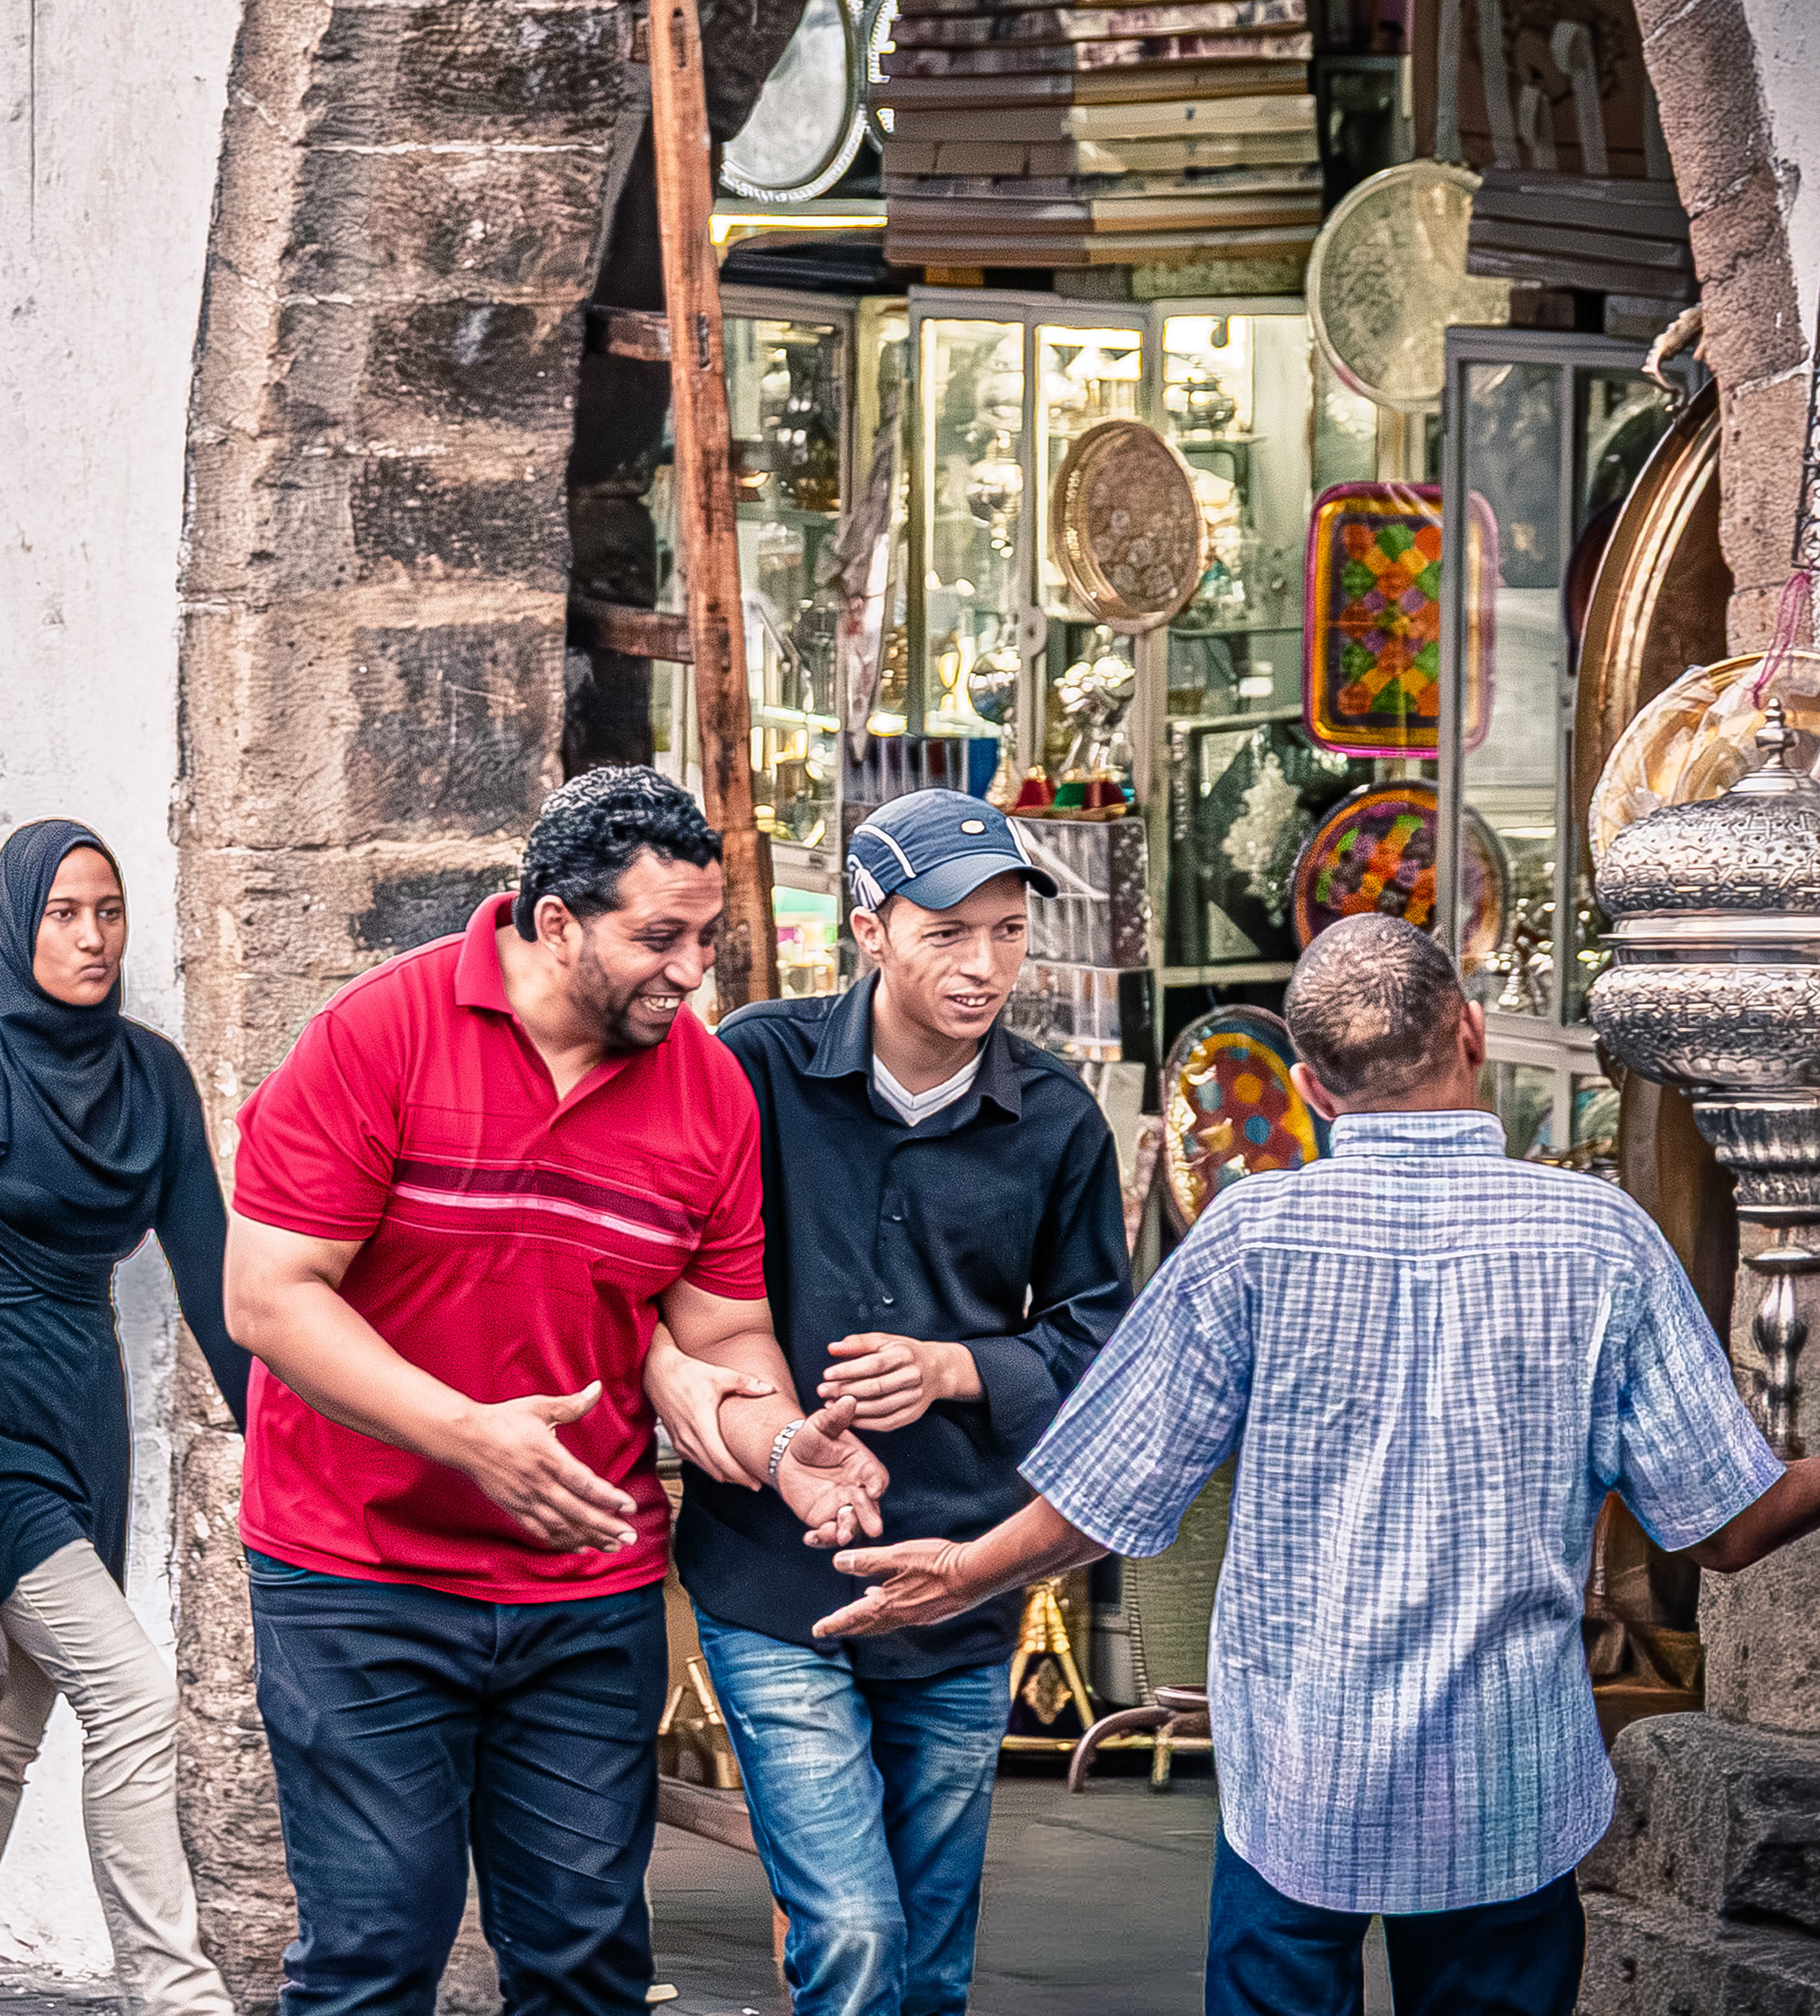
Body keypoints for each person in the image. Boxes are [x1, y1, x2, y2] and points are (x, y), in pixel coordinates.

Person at [820, 913, 1820, 2016]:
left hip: (1300, 1782)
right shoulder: (1599, 1238)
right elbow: (1729, 1529)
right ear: (1473, 1033)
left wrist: (961, 1574)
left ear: (1310, 1085)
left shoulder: (1254, 1237)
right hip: (1507, 1785)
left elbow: (1103, 1496)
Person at [223, 768, 888, 2016]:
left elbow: (725, 1325)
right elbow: (270, 1296)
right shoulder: (380, 1031)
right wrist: (469, 1436)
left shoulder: (709, 1091)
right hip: (357, 1578)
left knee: (587, 1967)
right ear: (554, 922)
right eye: (660, 938)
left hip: (587, 1592)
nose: (692, 972)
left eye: (706, 940)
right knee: (373, 1960)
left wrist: (784, 1436)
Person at [662, 788, 1129, 2016]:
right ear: (867, 929)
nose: (986, 967)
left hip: (961, 1578)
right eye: (946, 933)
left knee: (928, 1963)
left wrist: (955, 1367)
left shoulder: (1059, 1122)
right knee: (856, 1932)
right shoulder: (752, 1068)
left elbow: (1101, 1341)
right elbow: (662, 1273)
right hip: (772, 1572)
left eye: (1009, 932)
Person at [0, 820, 252, 2016]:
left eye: (109, 910)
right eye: (63, 913)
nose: (92, 936)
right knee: (135, 1696)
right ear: (15, 923)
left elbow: (213, 1279)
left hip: (85, 1423)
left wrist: (294, 1439)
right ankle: (176, 1996)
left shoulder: (153, 1076)